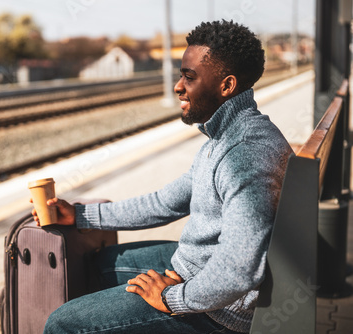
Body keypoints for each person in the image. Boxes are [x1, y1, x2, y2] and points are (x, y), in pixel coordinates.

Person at [32, 20, 293, 334]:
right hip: (194, 269)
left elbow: (239, 270)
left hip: (218, 312)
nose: (177, 86)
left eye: (189, 77)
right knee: (96, 264)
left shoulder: (245, 155)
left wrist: (173, 297)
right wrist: (79, 215)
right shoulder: (225, 137)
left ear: (226, 86)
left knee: (61, 324)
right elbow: (165, 203)